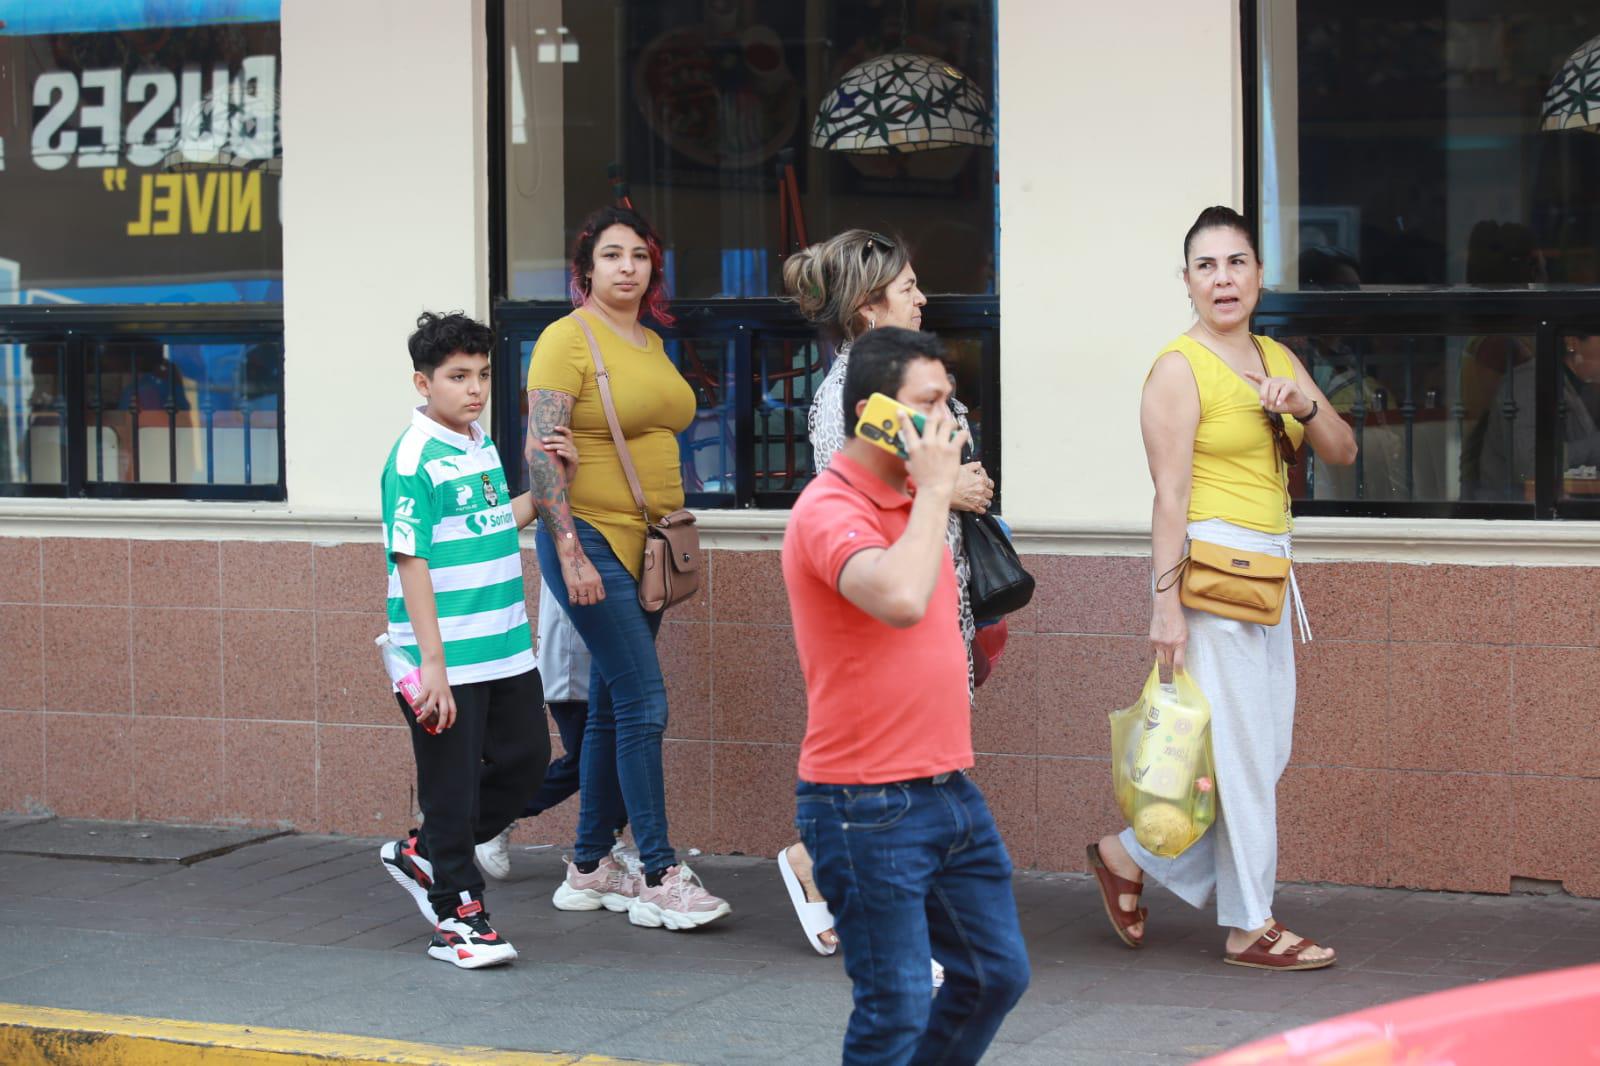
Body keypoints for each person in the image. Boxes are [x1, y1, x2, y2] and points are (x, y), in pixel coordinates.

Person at [1086, 206, 1357, 971]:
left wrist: (1301, 402)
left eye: (1235, 263)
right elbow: (1168, 497)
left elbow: (1341, 447)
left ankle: (1130, 855)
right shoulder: (1178, 367)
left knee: (1261, 757)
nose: (1223, 279)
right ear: (1187, 282)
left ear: (1259, 274)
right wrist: (1163, 607)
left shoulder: (1276, 356)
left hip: (1270, 579)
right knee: (1238, 761)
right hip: (1214, 577)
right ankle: (1249, 924)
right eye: (1206, 267)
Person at [783, 326, 1029, 1064]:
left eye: (951, 400)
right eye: (930, 404)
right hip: (863, 803)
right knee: (894, 1006)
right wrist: (934, 495)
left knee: (995, 975)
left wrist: (936, 491)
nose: (951, 422)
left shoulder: (921, 497)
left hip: (947, 786)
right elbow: (895, 595)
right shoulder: (827, 511)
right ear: (873, 414)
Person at [775, 228, 993, 957]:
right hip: (885, 605)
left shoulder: (914, 381)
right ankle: (822, 870)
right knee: (896, 774)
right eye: (907, 288)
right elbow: (861, 494)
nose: (923, 298)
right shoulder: (848, 396)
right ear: (869, 308)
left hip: (935, 585)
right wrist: (946, 489)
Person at [524, 204, 730, 930]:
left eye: (639, 256)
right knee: (646, 702)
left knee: (615, 706)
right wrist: (571, 551)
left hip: (649, 544)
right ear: (586, 270)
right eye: (612, 255)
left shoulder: (647, 341)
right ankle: (659, 871)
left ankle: (587, 866)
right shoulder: (564, 339)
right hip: (591, 542)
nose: (626, 267)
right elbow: (539, 452)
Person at [376, 311, 566, 969]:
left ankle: (430, 851)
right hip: (444, 657)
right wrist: (433, 664)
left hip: (505, 648)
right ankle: (458, 916)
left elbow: (493, 523)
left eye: (482, 375)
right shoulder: (411, 459)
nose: (474, 388)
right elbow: (412, 560)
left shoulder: (478, 444)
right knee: (451, 786)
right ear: (423, 382)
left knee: (525, 763)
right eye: (458, 376)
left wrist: (542, 492)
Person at [474, 580, 633, 879]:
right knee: (589, 759)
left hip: (609, 650)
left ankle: (609, 840)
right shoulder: (565, 536)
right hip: (573, 659)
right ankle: (495, 814)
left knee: (611, 753)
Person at [1475, 333, 1600, 496]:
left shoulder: (1584, 387)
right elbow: (1530, 466)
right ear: (1572, 342)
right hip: (1516, 510)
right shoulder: (1529, 383)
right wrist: (1593, 447)